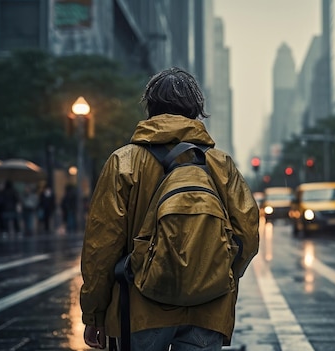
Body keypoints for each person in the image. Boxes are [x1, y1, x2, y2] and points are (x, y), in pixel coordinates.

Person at [80, 67, 260, 350]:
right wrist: (214, 274)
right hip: (208, 310)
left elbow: (101, 246)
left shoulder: (123, 162)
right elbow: (247, 236)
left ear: (150, 108)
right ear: (196, 110)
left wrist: (94, 313)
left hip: (139, 309)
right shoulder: (220, 164)